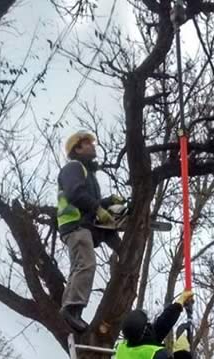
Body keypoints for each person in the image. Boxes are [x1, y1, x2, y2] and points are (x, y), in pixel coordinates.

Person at [57, 130, 123, 332]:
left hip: (85, 225)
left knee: (82, 264)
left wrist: (107, 202)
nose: (93, 146)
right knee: (85, 264)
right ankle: (72, 309)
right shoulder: (73, 168)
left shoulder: (88, 173)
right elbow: (76, 194)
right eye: (88, 144)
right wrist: (98, 209)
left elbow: (88, 199)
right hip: (76, 225)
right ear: (77, 148)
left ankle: (71, 308)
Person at [115, 290, 194, 359]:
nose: (150, 326)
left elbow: (160, 327)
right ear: (145, 330)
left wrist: (179, 304)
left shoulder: (121, 348)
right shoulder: (155, 355)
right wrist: (182, 353)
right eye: (147, 324)